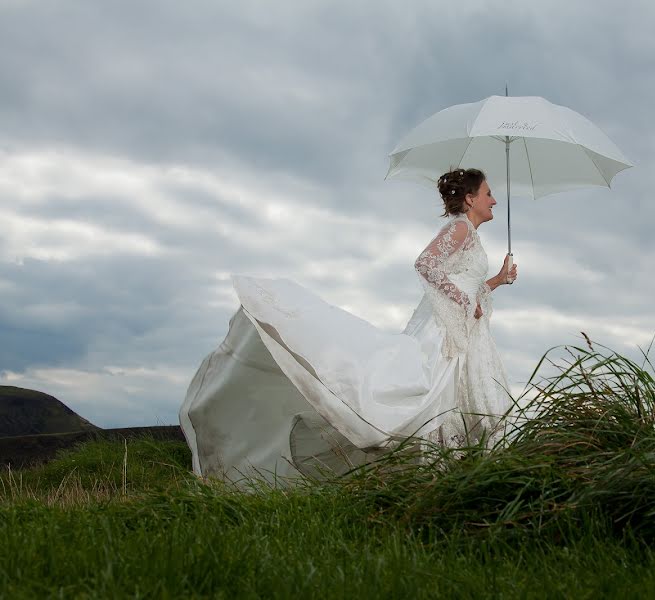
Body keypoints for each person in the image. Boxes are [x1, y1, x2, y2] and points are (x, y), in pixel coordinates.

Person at [179, 168, 518, 484]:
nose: (494, 200)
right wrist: (462, 300)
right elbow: (426, 264)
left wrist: (498, 281)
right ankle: (445, 471)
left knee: (460, 398)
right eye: (488, 193)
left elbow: (468, 287)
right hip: (446, 331)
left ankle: (459, 471)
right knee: (432, 395)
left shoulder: (470, 235)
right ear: (470, 199)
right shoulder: (460, 229)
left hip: (467, 332)